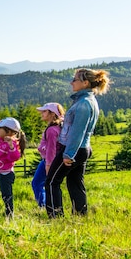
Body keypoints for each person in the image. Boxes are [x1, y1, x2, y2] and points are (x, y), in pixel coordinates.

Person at [45, 68, 111, 218]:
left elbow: (77, 132)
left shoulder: (83, 104)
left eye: (74, 80)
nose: (71, 82)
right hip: (82, 148)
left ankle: (55, 218)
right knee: (75, 183)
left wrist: (68, 154)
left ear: (85, 83)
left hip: (73, 149)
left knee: (51, 182)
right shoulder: (88, 101)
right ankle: (81, 216)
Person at [32, 103, 65, 207]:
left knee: (37, 183)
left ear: (52, 114)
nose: (41, 113)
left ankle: (44, 205)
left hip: (48, 161)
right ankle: (46, 205)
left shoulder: (51, 130)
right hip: (49, 160)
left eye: (44, 111)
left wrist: (48, 166)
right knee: (39, 183)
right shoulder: (56, 127)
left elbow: (51, 150)